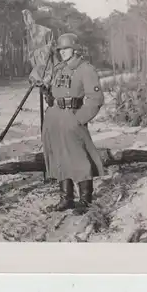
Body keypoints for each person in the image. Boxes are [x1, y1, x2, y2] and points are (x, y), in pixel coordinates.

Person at [41, 33, 105, 215]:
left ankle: (85, 200)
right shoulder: (59, 68)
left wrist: (79, 119)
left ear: (76, 49)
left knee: (79, 158)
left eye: (66, 48)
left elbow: (96, 98)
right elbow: (56, 94)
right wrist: (47, 93)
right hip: (55, 117)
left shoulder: (86, 69)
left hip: (72, 116)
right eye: (60, 49)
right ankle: (66, 198)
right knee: (60, 157)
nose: (62, 52)